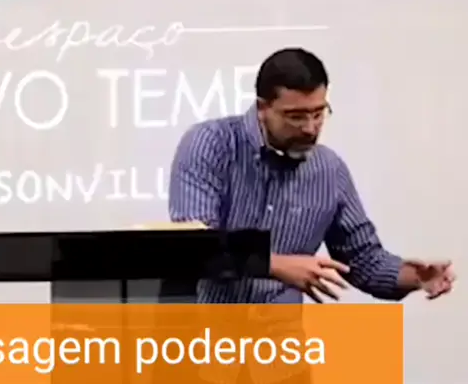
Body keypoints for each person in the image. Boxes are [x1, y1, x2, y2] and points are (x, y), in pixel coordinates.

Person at [168, 47, 456, 305]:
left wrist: (413, 277)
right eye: (296, 116)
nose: (310, 128)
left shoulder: (329, 170)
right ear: (262, 108)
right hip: (205, 334)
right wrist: (272, 264)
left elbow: (362, 259)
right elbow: (192, 248)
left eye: (318, 114)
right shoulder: (211, 144)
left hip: (280, 340)